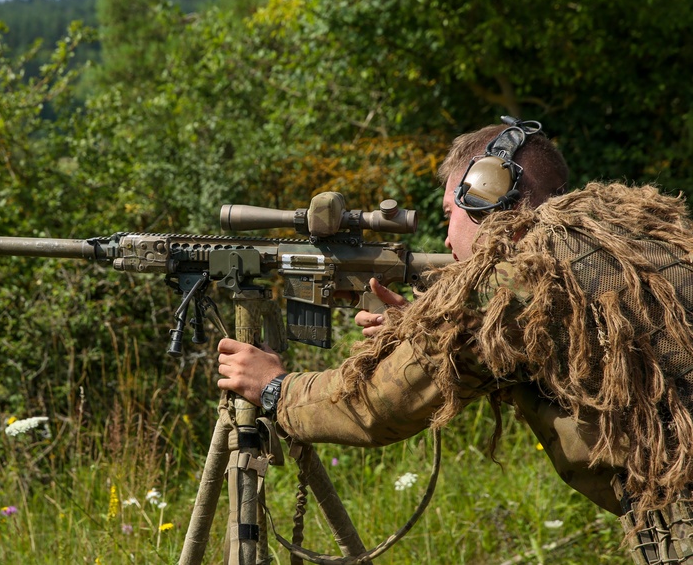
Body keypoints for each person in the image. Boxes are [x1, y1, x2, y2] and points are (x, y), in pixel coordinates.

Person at [216, 119, 693, 563]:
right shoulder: (636, 234)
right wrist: (429, 331)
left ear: (488, 195)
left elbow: (377, 406)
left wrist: (275, 387)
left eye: (451, 214)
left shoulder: (516, 279)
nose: (446, 240)